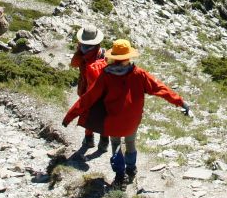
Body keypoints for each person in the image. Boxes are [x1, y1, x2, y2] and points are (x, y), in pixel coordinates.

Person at [63, 39, 191, 186]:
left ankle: (119, 175)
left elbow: (88, 98)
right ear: (128, 57)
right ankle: (131, 169)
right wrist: (181, 102)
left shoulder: (106, 75)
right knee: (130, 143)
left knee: (116, 145)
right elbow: (160, 88)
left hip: (113, 120)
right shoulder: (139, 74)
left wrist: (69, 116)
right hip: (132, 120)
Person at [69, 24, 109, 154]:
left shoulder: (81, 55)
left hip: (86, 90)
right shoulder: (104, 54)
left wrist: (79, 50)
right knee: (103, 116)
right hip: (103, 93)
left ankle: (88, 139)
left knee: (87, 115)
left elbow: (73, 64)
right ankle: (104, 142)